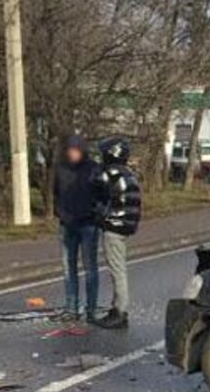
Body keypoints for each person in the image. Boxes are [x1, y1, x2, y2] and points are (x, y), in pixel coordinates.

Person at [92, 135, 142, 330]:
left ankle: (120, 311)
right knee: (118, 267)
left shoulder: (109, 174)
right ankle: (116, 308)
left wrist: (98, 215)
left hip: (114, 226)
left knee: (117, 270)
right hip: (126, 226)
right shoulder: (128, 174)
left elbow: (95, 192)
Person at [52, 134, 100, 323]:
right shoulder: (61, 169)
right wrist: (60, 213)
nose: (73, 154)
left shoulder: (93, 169)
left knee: (90, 268)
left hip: (88, 224)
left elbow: (102, 193)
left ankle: (91, 309)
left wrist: (95, 213)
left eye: (76, 150)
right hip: (67, 224)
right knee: (68, 268)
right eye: (70, 150)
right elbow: (55, 193)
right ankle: (71, 306)